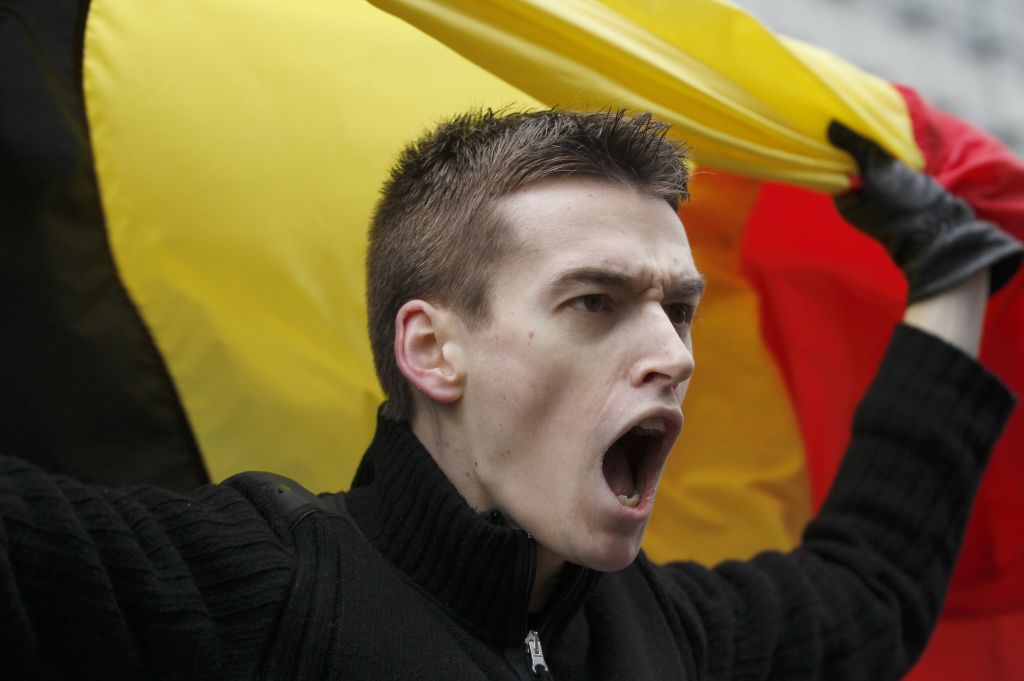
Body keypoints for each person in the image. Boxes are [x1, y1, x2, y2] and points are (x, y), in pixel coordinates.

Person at [0, 110, 1019, 680]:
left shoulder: (668, 635)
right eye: (593, 302)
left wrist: (948, 277)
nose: (671, 352)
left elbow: (867, 597)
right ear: (433, 353)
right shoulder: (265, 589)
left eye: (678, 308)